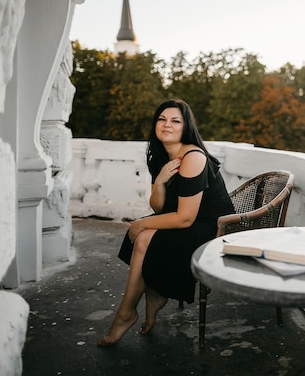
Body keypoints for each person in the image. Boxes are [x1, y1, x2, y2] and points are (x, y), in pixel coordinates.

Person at [97, 99, 235, 347]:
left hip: (214, 228)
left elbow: (185, 217)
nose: (167, 125)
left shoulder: (193, 157)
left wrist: (140, 224)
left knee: (145, 235)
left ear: (186, 127)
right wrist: (160, 181)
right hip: (189, 220)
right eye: (162, 119)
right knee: (143, 236)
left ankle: (127, 312)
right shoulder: (161, 155)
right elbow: (159, 207)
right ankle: (150, 296)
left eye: (175, 121)